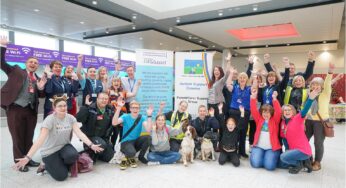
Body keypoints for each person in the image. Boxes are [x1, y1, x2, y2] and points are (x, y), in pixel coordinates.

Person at [13, 95, 103, 181]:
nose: (63, 108)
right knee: (61, 176)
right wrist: (28, 157)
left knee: (73, 155)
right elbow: (40, 140)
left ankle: (58, 163)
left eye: (64, 105)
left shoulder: (71, 118)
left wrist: (91, 145)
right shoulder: (50, 119)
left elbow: (79, 133)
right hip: (50, 151)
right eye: (60, 106)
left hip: (64, 146)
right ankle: (45, 164)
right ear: (54, 107)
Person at [0, 36, 47, 172]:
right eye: (31, 62)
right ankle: (19, 162)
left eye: (36, 63)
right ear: (26, 63)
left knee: (29, 136)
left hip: (31, 110)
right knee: (17, 136)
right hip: (15, 108)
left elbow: (42, 95)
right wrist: (2, 46)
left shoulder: (38, 78)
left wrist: (41, 88)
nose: (33, 64)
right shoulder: (15, 70)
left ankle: (28, 157)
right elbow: (1, 62)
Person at [279, 89, 320, 174]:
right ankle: (305, 163)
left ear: (293, 112)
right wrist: (287, 150)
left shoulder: (297, 118)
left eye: (289, 110)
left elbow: (305, 110)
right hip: (294, 150)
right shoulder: (283, 123)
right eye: (285, 110)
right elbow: (284, 139)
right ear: (282, 113)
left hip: (303, 150)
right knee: (282, 163)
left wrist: (311, 99)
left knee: (283, 157)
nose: (287, 112)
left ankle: (300, 163)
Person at [305, 62, 334, 171]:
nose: (315, 86)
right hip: (308, 121)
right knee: (304, 139)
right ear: (311, 85)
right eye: (313, 84)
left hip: (320, 122)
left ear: (321, 86)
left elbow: (327, 83)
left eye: (318, 84)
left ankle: (317, 162)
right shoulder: (309, 95)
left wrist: (330, 72)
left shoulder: (325, 93)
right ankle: (307, 158)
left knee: (318, 142)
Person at [112, 98, 152, 170]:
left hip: (136, 141)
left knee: (148, 137)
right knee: (131, 153)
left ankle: (141, 156)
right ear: (130, 109)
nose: (135, 109)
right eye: (133, 108)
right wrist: (118, 109)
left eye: (137, 108)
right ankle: (127, 157)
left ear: (139, 109)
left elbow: (148, 130)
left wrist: (149, 116)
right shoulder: (125, 116)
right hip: (126, 142)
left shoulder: (142, 117)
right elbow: (114, 123)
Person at [76, 92, 115, 163]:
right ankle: (88, 150)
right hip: (91, 136)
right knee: (102, 145)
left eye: (106, 99)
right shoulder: (90, 108)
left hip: (103, 137)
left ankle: (96, 154)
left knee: (110, 157)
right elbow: (78, 119)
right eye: (102, 98)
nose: (104, 100)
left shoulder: (110, 109)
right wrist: (85, 106)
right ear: (97, 99)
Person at [250, 89, 282, 171]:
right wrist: (253, 98)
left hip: (271, 148)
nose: (266, 114)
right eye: (264, 112)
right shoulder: (259, 119)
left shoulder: (275, 120)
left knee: (270, 167)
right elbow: (253, 110)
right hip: (259, 146)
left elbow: (278, 111)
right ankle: (263, 156)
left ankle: (268, 157)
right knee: (255, 164)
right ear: (261, 113)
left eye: (268, 112)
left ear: (271, 113)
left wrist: (274, 99)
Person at [228, 72, 251, 158]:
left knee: (243, 132)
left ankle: (242, 151)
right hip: (234, 112)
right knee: (235, 132)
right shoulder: (234, 87)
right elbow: (228, 85)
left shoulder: (249, 89)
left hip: (245, 113)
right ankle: (234, 151)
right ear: (238, 79)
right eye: (240, 77)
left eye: (244, 78)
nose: (242, 79)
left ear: (246, 80)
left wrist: (255, 75)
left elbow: (255, 87)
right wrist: (230, 74)